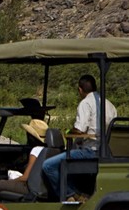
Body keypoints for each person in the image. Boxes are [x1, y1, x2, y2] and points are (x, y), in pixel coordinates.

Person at [42, 74, 117, 203]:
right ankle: (76, 192)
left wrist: (68, 132)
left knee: (48, 166)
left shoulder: (85, 103)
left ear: (80, 90)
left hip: (90, 151)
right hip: (107, 151)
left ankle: (71, 193)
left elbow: (79, 130)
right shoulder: (109, 105)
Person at [0, 119, 48, 203]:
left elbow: (25, 177)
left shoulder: (36, 150)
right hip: (43, 188)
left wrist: (9, 182)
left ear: (31, 137)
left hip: (30, 188)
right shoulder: (50, 150)